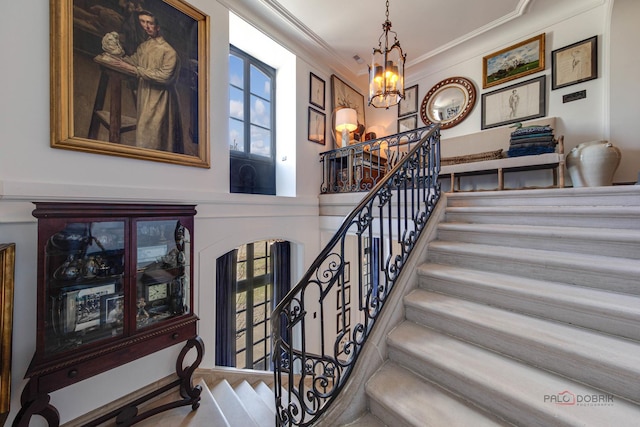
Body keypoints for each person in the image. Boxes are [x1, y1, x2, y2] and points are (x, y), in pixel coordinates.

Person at [111, 10, 184, 153]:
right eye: (143, 22)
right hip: (145, 96)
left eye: (150, 23)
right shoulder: (144, 47)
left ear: (158, 26)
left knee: (158, 138)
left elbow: (165, 77)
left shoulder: (169, 52)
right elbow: (133, 61)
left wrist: (136, 70)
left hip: (162, 100)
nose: (146, 27)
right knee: (145, 134)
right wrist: (117, 57)